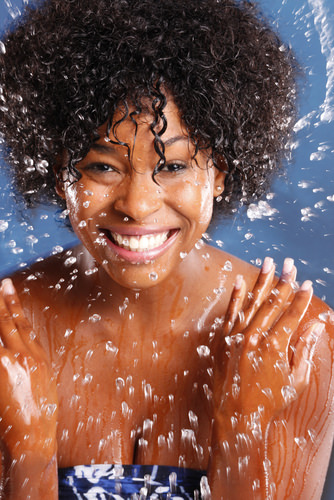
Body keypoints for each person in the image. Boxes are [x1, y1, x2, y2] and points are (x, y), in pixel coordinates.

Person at [0, 0, 333, 498]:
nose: (137, 204)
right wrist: (27, 450)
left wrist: (244, 431)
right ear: (59, 171)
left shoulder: (295, 342)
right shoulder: (9, 339)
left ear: (218, 173)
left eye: (174, 166)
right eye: (102, 167)